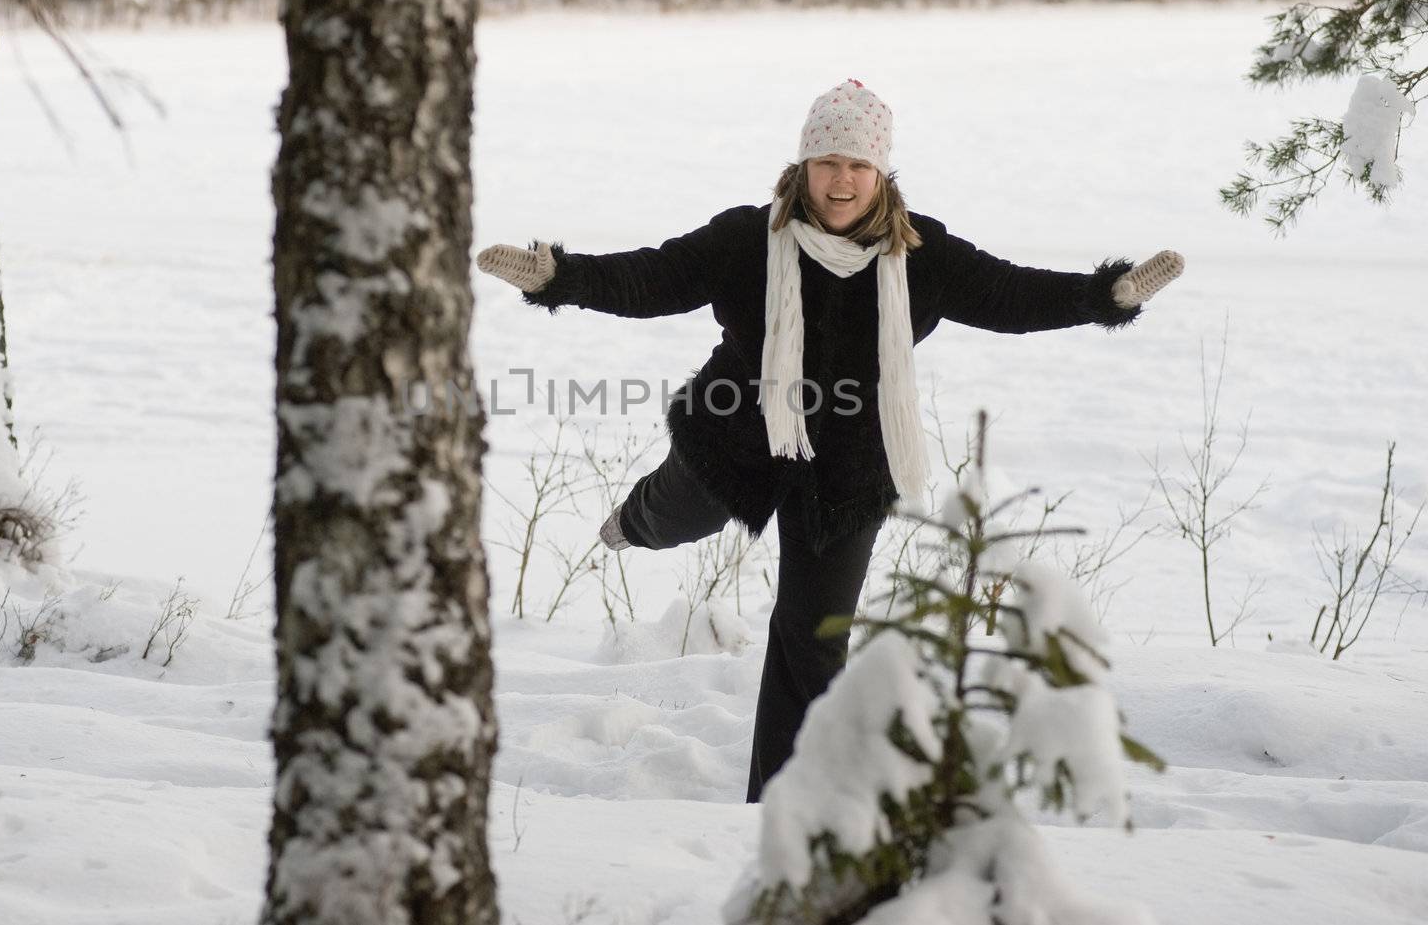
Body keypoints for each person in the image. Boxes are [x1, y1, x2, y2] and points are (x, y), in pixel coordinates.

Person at [476, 79, 1183, 803]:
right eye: (827, 163)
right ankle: (635, 519)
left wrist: (1104, 296)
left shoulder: (921, 252)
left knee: (812, 642)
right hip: (736, 437)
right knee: (680, 515)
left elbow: (1010, 294)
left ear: (881, 173)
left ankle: (779, 811)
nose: (842, 181)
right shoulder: (747, 239)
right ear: (803, 166)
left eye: (858, 165)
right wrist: (560, 277)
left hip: (846, 469)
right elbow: (651, 277)